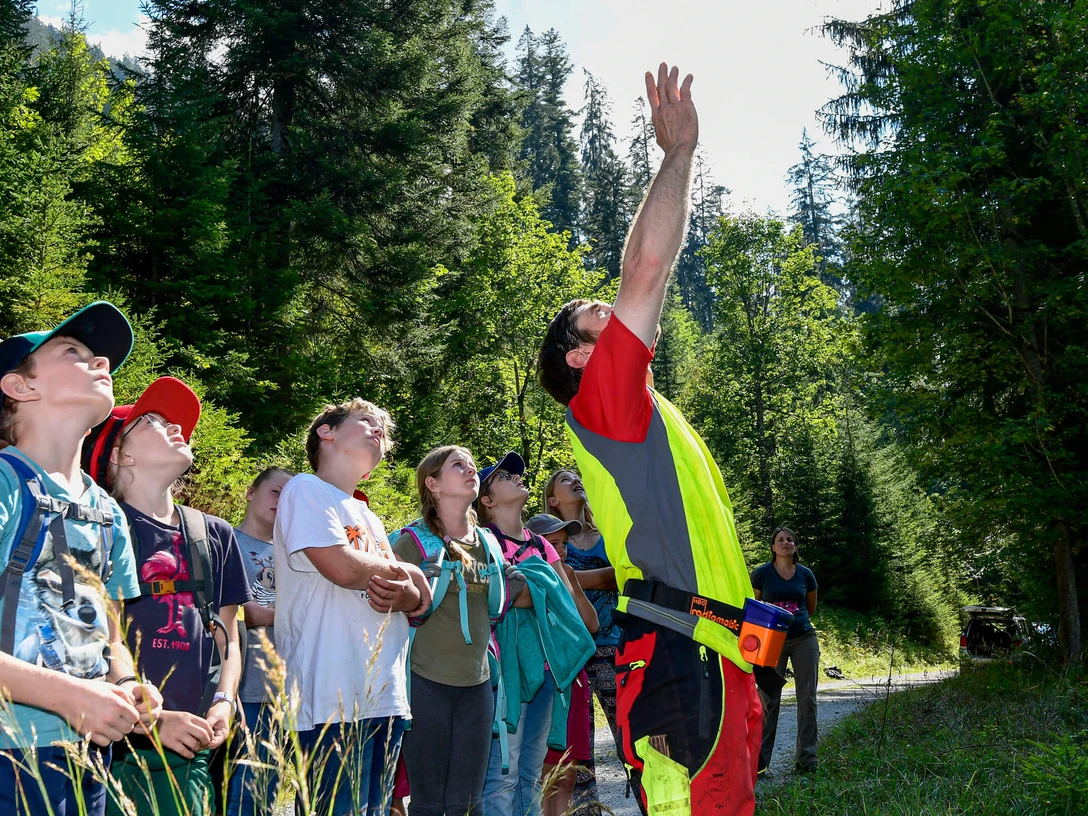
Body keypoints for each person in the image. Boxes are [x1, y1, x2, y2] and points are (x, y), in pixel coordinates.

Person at [537, 64, 762, 816]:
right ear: (578, 357)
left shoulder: (644, 409)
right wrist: (676, 156)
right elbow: (648, 268)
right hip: (679, 651)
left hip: (717, 651)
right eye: (587, 314)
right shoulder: (603, 401)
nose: (604, 303)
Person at [0, 302, 162, 816]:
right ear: (20, 387)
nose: (101, 364)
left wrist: (125, 684)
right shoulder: (6, 485)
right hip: (10, 753)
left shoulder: (107, 512)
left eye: (103, 360)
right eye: (74, 352)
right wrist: (69, 698)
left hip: (89, 756)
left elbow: (111, 639)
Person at [81, 375, 251, 816]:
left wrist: (224, 701)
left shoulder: (213, 533)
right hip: (114, 745)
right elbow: (100, 636)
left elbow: (228, 634)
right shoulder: (98, 527)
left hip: (193, 743)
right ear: (121, 453)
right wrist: (150, 720)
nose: (178, 427)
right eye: (154, 421)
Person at [274, 398, 429, 816]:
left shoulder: (366, 513)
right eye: (367, 421)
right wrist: (411, 575)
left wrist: (411, 590)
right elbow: (341, 567)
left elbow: (417, 602)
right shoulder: (304, 489)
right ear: (327, 431)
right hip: (329, 694)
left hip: (385, 693)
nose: (380, 431)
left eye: (385, 430)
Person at [388, 445, 522, 816]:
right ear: (433, 483)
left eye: (472, 465)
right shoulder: (412, 542)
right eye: (457, 465)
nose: (470, 470)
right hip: (424, 681)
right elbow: (384, 607)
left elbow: (498, 604)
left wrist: (518, 584)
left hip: (478, 684)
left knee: (468, 802)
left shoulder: (489, 544)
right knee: (429, 802)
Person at [477, 453, 589, 816]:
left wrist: (525, 585)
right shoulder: (482, 541)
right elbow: (503, 596)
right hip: (507, 673)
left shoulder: (539, 543)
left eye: (516, 474)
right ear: (487, 500)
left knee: (531, 773)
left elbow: (565, 600)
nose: (517, 478)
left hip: (547, 671)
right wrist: (533, 587)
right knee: (502, 775)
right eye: (504, 477)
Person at [542, 469, 633, 814]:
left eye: (578, 475)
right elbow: (553, 578)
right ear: (553, 499)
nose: (576, 479)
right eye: (565, 480)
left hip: (614, 645)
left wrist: (571, 576)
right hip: (571, 656)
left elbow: (622, 576)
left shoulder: (608, 533)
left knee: (630, 738)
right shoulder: (545, 541)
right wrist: (601, 577)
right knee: (579, 751)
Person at [226, 466, 295, 816]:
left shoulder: (294, 554)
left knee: (268, 787)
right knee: (243, 787)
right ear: (251, 492)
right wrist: (296, 614)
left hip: (288, 685)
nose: (281, 501)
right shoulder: (226, 541)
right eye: (275, 491)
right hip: (243, 686)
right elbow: (247, 613)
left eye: (288, 496)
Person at [525, 514, 599, 816]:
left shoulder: (567, 573)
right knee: (545, 773)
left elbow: (591, 625)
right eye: (553, 544)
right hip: (545, 681)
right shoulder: (527, 575)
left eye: (564, 544)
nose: (562, 551)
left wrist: (570, 584)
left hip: (573, 679)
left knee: (568, 773)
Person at [750, 527, 819, 775]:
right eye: (780, 540)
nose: (785, 542)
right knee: (768, 699)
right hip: (771, 642)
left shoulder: (806, 575)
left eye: (790, 539)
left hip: (803, 638)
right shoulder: (762, 574)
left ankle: (806, 760)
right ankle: (759, 763)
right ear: (772, 547)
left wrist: (794, 622)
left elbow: (809, 608)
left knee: (807, 697)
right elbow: (755, 607)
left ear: (795, 546)